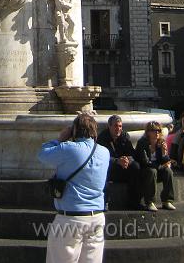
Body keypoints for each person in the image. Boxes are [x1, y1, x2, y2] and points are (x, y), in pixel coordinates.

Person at [38, 112, 109, 263]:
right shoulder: (105, 152)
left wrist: (60, 138)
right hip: (96, 217)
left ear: (75, 130)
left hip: (70, 219)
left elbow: (42, 154)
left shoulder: (68, 148)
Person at [97, 115, 141, 210]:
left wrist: (127, 160)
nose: (118, 129)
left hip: (122, 167)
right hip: (110, 167)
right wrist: (117, 161)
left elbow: (132, 153)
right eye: (116, 126)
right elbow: (100, 157)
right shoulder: (102, 138)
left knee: (135, 167)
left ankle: (134, 202)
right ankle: (105, 202)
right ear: (109, 126)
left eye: (120, 126)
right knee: (102, 168)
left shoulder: (125, 136)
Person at [135, 121, 176, 211]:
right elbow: (145, 161)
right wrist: (160, 167)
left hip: (157, 170)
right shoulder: (142, 143)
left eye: (159, 130)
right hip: (145, 171)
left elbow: (165, 160)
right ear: (148, 132)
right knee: (152, 171)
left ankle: (167, 200)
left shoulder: (161, 142)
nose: (157, 132)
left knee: (168, 171)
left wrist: (164, 154)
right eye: (154, 130)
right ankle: (150, 202)